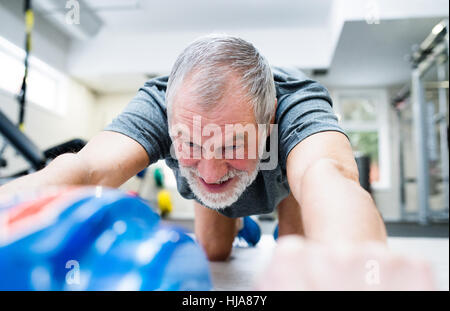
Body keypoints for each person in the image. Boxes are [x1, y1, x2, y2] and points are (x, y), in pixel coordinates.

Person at [0, 35, 433, 289]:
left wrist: (358, 261)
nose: (208, 169)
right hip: (223, 199)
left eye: (230, 145)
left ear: (270, 120)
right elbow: (87, 168)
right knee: (214, 252)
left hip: (286, 187)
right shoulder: (158, 101)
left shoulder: (297, 102)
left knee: (297, 252)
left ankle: (282, 221)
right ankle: (242, 221)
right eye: (189, 142)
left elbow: (329, 176)